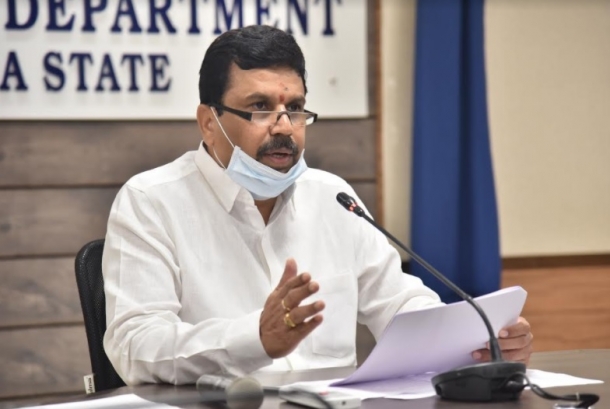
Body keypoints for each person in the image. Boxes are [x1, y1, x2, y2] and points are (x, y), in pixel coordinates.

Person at [102, 25, 533, 386]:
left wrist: (476, 338)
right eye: (260, 108)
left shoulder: (333, 198)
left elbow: (400, 306)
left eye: (295, 108)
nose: (284, 127)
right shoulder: (151, 202)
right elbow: (135, 346)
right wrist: (255, 338)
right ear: (209, 123)